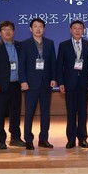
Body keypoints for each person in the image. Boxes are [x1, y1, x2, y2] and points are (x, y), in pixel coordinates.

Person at [19, 17, 57, 150]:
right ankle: (28, 140)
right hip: (30, 84)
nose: (38, 29)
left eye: (40, 26)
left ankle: (43, 139)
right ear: (30, 29)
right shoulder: (25, 44)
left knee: (45, 113)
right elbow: (21, 65)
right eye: (35, 26)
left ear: (44, 29)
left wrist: (54, 78)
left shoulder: (49, 43)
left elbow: (53, 62)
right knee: (29, 113)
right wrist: (23, 81)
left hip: (46, 83)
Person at [56, 20, 88, 149]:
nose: (77, 30)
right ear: (70, 30)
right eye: (75, 28)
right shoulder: (64, 45)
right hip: (69, 84)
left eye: (80, 28)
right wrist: (60, 82)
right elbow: (59, 65)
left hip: (84, 83)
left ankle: (82, 138)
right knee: (71, 112)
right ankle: (71, 139)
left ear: (83, 30)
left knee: (83, 112)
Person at [0, 20, 24, 150]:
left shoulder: (19, 45)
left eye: (10, 29)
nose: (7, 32)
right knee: (0, 114)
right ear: (0, 32)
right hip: (1, 85)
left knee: (16, 113)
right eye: (4, 30)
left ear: (13, 32)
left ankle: (15, 138)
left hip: (16, 84)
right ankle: (1, 139)